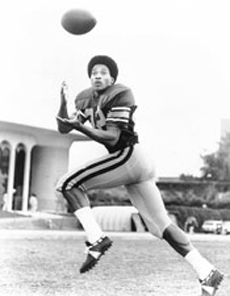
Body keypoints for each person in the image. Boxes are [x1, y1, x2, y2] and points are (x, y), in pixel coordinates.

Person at [56, 55, 223, 295]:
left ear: (112, 78)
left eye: (103, 72)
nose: (97, 75)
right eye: (94, 72)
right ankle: (207, 272)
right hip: (136, 164)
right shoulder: (84, 99)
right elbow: (64, 127)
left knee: (67, 184)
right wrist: (62, 102)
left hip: (129, 155)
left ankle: (96, 239)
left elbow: (112, 137)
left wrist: (81, 127)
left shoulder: (120, 93)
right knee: (160, 226)